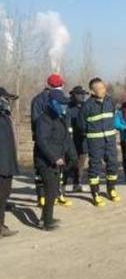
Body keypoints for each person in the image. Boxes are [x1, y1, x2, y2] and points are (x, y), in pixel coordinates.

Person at [34, 89, 77, 231]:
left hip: (58, 160)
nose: (64, 106)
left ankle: (46, 217)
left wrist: (72, 155)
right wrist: (54, 158)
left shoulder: (61, 119)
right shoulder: (44, 119)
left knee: (53, 190)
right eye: (61, 103)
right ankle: (46, 222)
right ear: (52, 103)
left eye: (65, 104)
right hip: (45, 161)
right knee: (51, 190)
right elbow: (42, 141)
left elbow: (67, 139)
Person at [80, 78, 120, 206]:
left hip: (110, 140)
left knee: (113, 164)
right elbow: (81, 124)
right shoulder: (87, 106)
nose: (103, 90)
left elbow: (112, 116)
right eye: (100, 88)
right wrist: (92, 133)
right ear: (92, 91)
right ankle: (95, 193)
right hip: (95, 141)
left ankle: (111, 189)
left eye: (104, 87)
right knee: (95, 167)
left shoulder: (110, 101)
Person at [31, 73, 66, 207]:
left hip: (53, 140)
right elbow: (37, 121)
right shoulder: (40, 100)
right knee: (43, 170)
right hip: (45, 141)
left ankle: (53, 195)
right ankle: (43, 197)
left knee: (54, 170)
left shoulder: (39, 99)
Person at [0, 87, 19, 237]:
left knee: (4, 195)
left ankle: (1, 225)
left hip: (7, 164)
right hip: (2, 166)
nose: (8, 102)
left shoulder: (5, 117)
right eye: (6, 99)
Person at [63, 86, 89, 194]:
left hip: (83, 140)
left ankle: (77, 184)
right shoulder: (67, 107)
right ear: (73, 95)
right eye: (78, 94)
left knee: (81, 164)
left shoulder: (86, 107)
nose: (81, 96)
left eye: (82, 94)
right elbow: (66, 124)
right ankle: (63, 186)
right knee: (68, 163)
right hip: (70, 140)